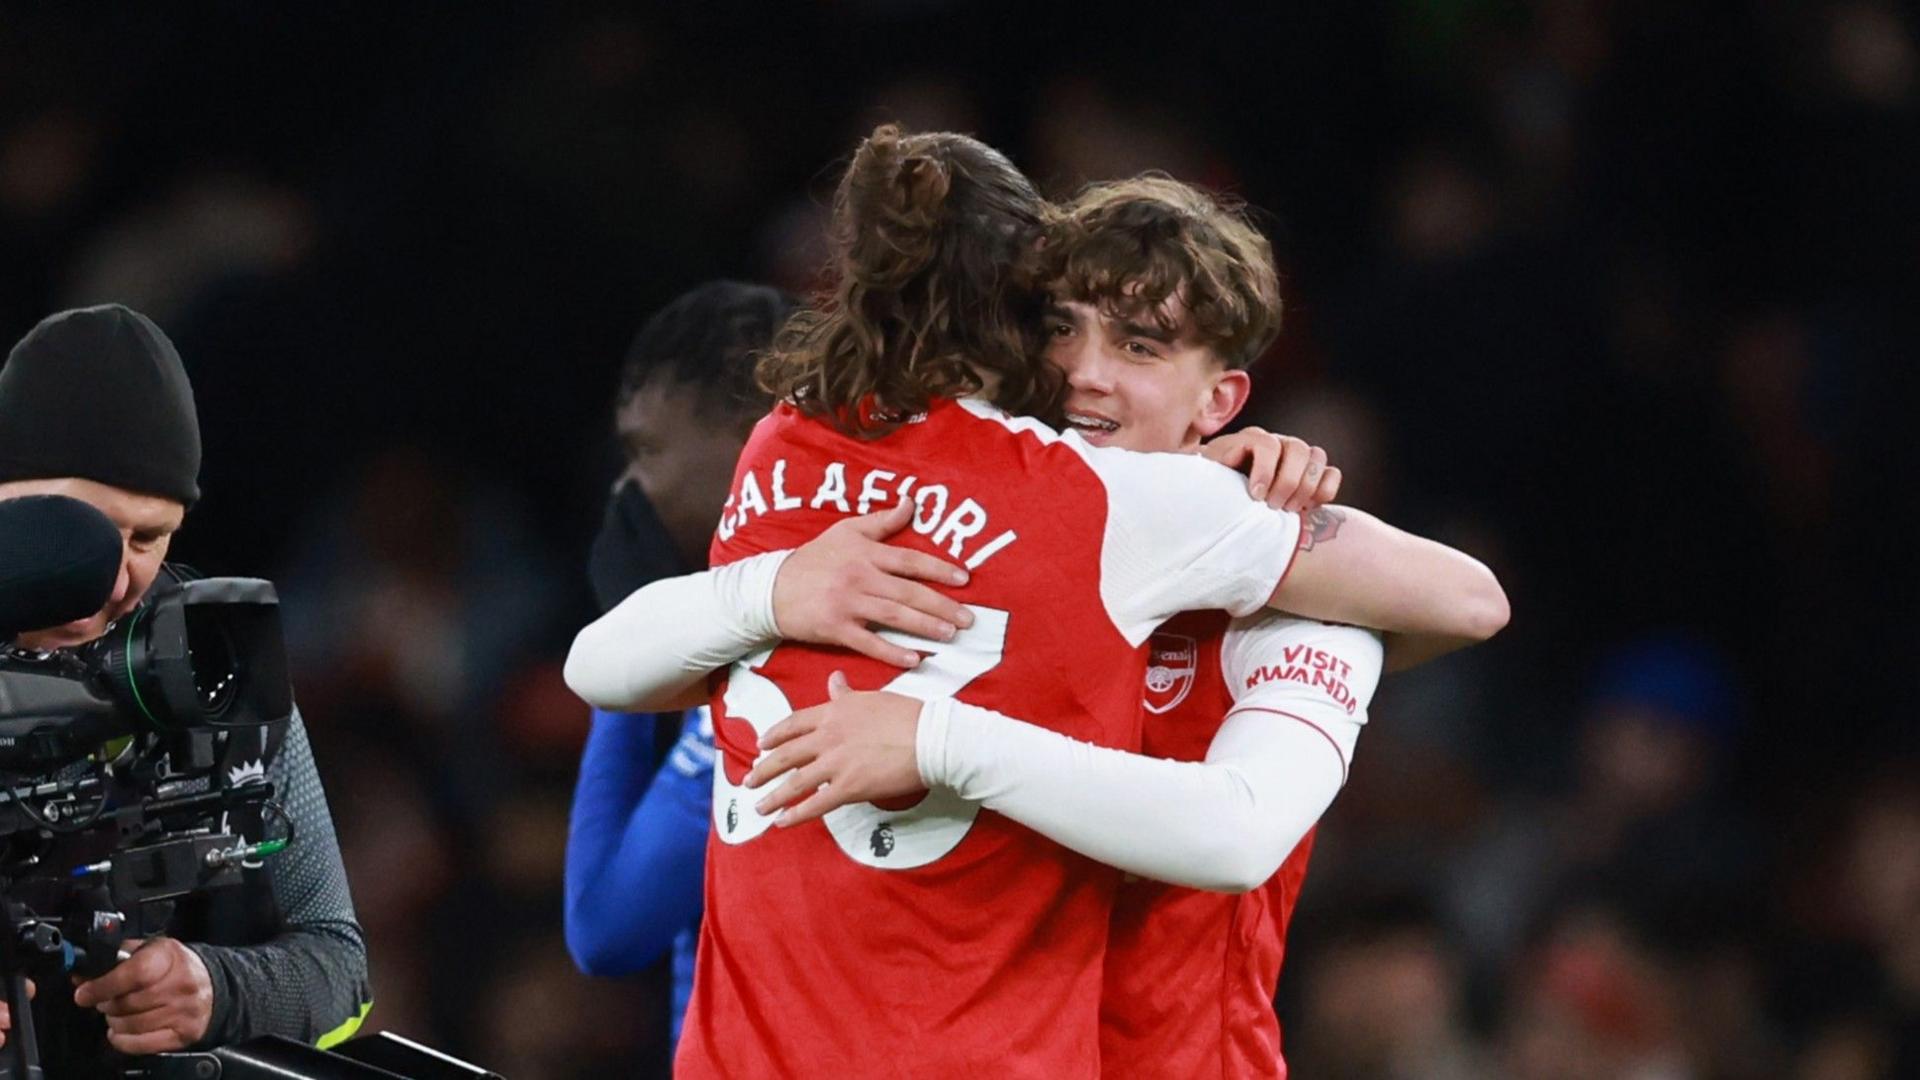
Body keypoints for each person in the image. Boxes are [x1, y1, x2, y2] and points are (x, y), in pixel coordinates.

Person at [566, 126, 1502, 1078]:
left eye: (1139, 345)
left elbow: (1461, 611)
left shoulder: (1298, 605)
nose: (1083, 371)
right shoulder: (952, 543)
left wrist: (938, 739)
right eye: (1060, 326)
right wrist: (767, 590)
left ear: (1220, 401)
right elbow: (604, 693)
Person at [0, 305, 369, 1076]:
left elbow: (340, 967)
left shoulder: (210, 665)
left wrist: (219, 989)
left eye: (149, 538)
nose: (116, 580)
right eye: (82, 532)